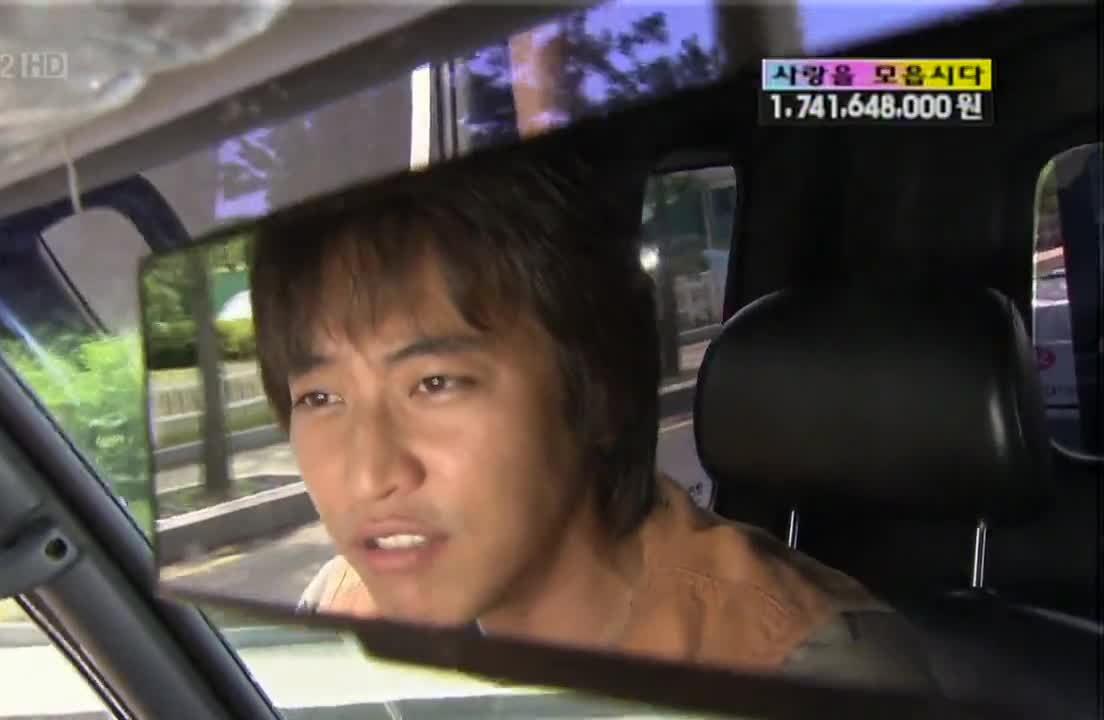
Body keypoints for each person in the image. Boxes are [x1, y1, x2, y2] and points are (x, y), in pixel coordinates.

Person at [249, 152, 936, 692]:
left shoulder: (800, 675)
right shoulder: (341, 609)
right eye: (320, 398)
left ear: (598, 393)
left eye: (434, 384)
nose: (368, 474)